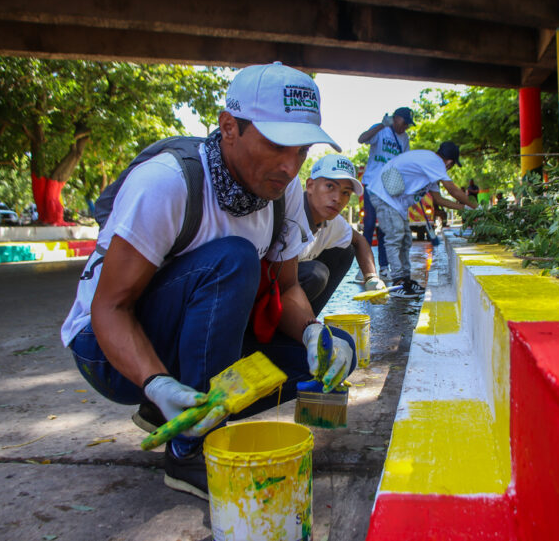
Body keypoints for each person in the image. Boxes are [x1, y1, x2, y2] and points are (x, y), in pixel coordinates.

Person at [60, 62, 357, 500]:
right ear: (229, 127)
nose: (290, 166)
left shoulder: (284, 190)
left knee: (328, 360)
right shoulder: (168, 182)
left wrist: (315, 333)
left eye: (301, 151)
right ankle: (188, 450)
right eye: (277, 144)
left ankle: (180, 409)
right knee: (233, 260)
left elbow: (289, 286)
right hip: (107, 352)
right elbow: (110, 308)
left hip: (184, 339)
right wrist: (156, 380)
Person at [367, 141, 478, 298]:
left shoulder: (431, 169)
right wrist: (475, 208)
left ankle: (405, 279)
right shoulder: (435, 162)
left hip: (394, 202)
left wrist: (465, 209)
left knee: (405, 239)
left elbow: (438, 199)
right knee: (396, 237)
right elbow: (452, 190)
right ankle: (398, 282)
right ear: (449, 162)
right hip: (383, 195)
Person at [298, 153, 387, 315]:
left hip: (289, 286)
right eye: (330, 186)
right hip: (268, 287)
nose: (338, 198)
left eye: (346, 192)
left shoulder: (333, 221)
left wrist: (371, 278)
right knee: (316, 273)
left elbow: (359, 240)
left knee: (347, 250)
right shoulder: (291, 213)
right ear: (310, 185)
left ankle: (307, 319)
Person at [357, 106, 414, 280]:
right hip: (372, 185)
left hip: (389, 189)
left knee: (385, 228)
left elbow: (405, 163)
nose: (405, 127)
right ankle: (364, 269)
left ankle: (383, 267)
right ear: (395, 118)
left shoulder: (404, 138)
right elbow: (362, 139)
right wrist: (381, 125)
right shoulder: (381, 131)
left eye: (408, 125)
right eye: (404, 122)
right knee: (368, 226)